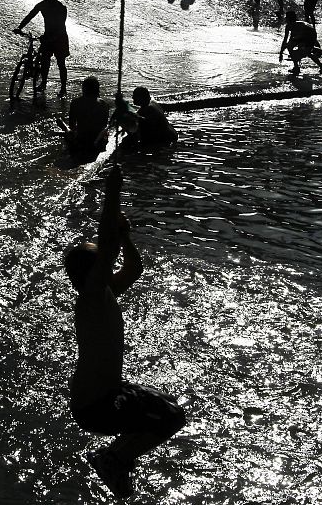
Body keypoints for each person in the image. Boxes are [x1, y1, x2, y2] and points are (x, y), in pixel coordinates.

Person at [65, 165, 186, 499]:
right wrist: (113, 191)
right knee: (170, 416)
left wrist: (126, 237)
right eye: (102, 261)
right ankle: (113, 458)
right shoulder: (90, 297)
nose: (109, 262)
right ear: (91, 272)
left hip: (107, 392)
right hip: (95, 405)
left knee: (167, 407)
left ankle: (117, 460)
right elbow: (107, 246)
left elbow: (134, 268)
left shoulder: (103, 292)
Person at [14, 0, 69, 97]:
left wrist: (51, 38)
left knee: (61, 64)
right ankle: (43, 83)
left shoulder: (61, 8)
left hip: (60, 38)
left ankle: (63, 88)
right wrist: (20, 27)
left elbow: (61, 26)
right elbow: (30, 15)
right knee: (45, 61)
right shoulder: (42, 5)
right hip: (48, 36)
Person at [60, 76, 109, 160]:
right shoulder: (103, 104)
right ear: (97, 89)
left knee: (65, 129)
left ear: (84, 89)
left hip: (81, 139)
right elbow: (104, 125)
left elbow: (72, 125)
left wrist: (69, 131)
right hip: (97, 139)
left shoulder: (75, 103)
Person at [279, 10, 322, 75]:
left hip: (309, 34)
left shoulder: (292, 25)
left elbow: (286, 40)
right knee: (295, 48)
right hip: (308, 34)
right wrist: (281, 52)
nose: (285, 20)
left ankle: (321, 67)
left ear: (288, 19)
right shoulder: (292, 25)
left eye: (286, 18)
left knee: (306, 52)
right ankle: (297, 67)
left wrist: (282, 53)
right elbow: (288, 40)